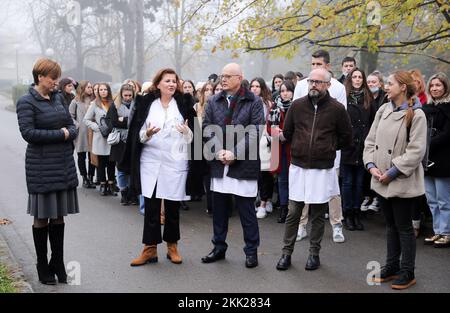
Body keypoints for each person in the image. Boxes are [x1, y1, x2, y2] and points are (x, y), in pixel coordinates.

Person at [275, 68, 352, 272]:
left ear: (328, 85)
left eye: (318, 82)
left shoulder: (337, 109)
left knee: (318, 214)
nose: (314, 85)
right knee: (294, 212)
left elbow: (346, 137)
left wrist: (328, 147)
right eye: (311, 82)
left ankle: (314, 254)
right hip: (299, 166)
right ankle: (286, 253)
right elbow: (288, 132)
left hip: (322, 168)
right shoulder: (297, 105)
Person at [122, 68, 196, 266]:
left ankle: (172, 247)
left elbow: (194, 138)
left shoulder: (185, 103)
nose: (171, 84)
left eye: (174, 81)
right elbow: (136, 137)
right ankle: (149, 249)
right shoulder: (146, 103)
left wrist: (187, 131)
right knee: (152, 207)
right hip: (151, 162)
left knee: (172, 207)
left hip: (175, 162)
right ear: (158, 84)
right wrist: (147, 134)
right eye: (167, 81)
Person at [16, 58, 79, 285]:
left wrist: (68, 132)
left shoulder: (59, 98)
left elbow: (72, 125)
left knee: (59, 215)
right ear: (40, 76)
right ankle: (42, 265)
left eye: (57, 77)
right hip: (41, 167)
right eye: (53, 77)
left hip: (62, 165)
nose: (55, 82)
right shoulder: (26, 102)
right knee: (42, 216)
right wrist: (60, 135)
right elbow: (29, 133)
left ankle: (58, 262)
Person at [364, 70, 427, 290]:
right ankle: (392, 266)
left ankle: (407, 271)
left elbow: (416, 151)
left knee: (404, 227)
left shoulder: (417, 115)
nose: (385, 87)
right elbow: (370, 142)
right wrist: (371, 166)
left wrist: (391, 172)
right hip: (380, 178)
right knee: (390, 226)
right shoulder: (383, 109)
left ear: (402, 87)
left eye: (389, 83)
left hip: (400, 180)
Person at [201, 63, 264, 268]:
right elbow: (207, 128)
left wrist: (235, 153)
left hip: (244, 163)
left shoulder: (254, 101)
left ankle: (251, 251)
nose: (224, 79)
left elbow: (255, 131)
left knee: (246, 210)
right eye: (222, 75)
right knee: (219, 210)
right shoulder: (213, 101)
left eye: (228, 76)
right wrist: (219, 151)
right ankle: (219, 247)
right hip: (220, 163)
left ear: (240, 78)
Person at [293, 49, 347, 243]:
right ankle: (301, 225)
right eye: (313, 64)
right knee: (303, 189)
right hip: (304, 151)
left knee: (332, 189)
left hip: (328, 152)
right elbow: (295, 118)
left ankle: (336, 224)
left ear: (328, 66)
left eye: (319, 65)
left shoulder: (339, 88)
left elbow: (342, 123)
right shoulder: (301, 85)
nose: (315, 68)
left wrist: (329, 145)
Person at [341, 68, 377, 231]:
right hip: (348, 146)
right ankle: (347, 213)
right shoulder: (344, 97)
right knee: (348, 182)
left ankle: (356, 213)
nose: (357, 79)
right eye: (354, 77)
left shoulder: (368, 98)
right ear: (350, 79)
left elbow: (373, 122)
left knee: (359, 182)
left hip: (364, 146)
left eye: (359, 77)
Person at [422, 73, 450, 248]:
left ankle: (446, 232)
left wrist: (427, 143)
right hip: (426, 160)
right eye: (432, 86)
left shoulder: (449, 108)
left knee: (444, 200)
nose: (434, 88)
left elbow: (448, 134)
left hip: (444, 160)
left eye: (438, 85)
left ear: (445, 87)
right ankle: (438, 230)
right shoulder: (426, 108)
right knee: (431, 199)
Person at [267, 80, 295, 223]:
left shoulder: (297, 106)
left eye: (288, 90)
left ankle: (294, 209)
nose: (285, 93)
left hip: (294, 148)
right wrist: (274, 131)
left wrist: (286, 133)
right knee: (282, 179)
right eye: (283, 90)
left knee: (294, 180)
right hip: (279, 148)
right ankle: (284, 208)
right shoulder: (274, 107)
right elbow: (268, 127)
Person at [84, 83, 117, 196]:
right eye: (101, 90)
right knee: (102, 162)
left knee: (112, 161)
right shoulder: (94, 104)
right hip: (100, 137)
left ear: (108, 91)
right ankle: (103, 184)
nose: (103, 91)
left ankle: (111, 184)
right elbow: (86, 120)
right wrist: (97, 127)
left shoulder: (114, 103)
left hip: (112, 137)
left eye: (105, 89)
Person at [250, 77, 274, 219]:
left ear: (262, 88)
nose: (254, 88)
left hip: (266, 142)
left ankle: (264, 203)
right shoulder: (246, 103)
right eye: (252, 86)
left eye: (257, 86)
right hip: (251, 142)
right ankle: (256, 201)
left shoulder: (269, 104)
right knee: (254, 174)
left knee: (266, 174)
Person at [108, 84, 135, 205]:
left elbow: (137, 121)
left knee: (131, 168)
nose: (128, 98)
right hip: (120, 141)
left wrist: (123, 119)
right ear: (121, 94)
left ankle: (130, 192)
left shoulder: (137, 105)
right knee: (121, 169)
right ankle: (123, 192)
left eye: (130, 95)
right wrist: (127, 121)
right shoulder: (115, 105)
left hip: (133, 140)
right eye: (125, 95)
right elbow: (113, 122)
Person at [69, 80, 96, 189]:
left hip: (93, 131)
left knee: (92, 156)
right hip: (80, 133)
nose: (90, 89)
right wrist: (77, 125)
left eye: (91, 87)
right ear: (83, 88)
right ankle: (84, 178)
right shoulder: (75, 101)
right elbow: (70, 115)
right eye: (88, 87)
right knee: (81, 155)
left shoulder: (95, 100)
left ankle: (90, 177)